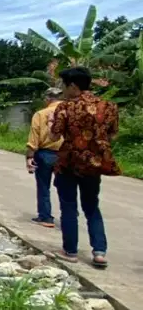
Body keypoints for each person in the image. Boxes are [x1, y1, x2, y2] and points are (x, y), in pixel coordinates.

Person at [49, 66, 120, 269]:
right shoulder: (108, 107)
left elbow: (54, 136)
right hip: (94, 165)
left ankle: (70, 251)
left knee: (69, 207)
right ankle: (99, 252)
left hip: (69, 163)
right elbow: (113, 135)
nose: (62, 89)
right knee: (92, 207)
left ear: (73, 86)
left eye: (63, 85)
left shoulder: (65, 108)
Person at [25, 87, 64, 227]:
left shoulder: (41, 114)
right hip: (66, 154)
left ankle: (46, 217)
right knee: (65, 187)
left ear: (47, 99)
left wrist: (29, 157)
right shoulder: (70, 113)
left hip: (45, 153)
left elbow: (33, 138)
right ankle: (69, 217)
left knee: (43, 186)